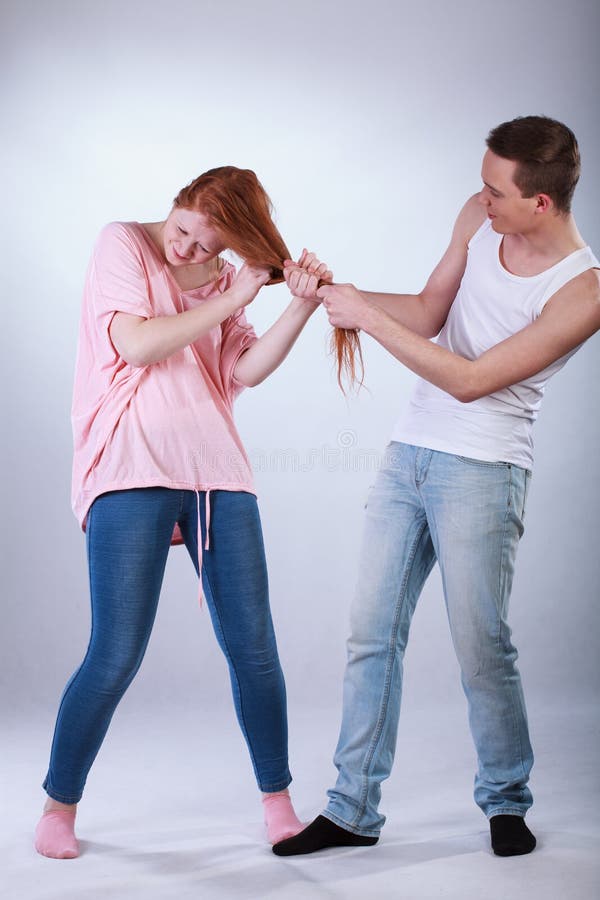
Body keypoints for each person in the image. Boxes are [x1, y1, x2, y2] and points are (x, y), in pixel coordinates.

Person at [274, 115, 600, 858]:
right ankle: (351, 810)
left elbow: (471, 380)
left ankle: (506, 803)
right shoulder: (477, 215)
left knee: (480, 644)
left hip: (484, 471)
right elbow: (427, 313)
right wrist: (338, 292)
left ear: (541, 203)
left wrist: (364, 320)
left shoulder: (583, 292)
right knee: (370, 632)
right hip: (408, 456)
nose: (479, 199)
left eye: (495, 192)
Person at [34, 166, 331, 859]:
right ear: (176, 203)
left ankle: (279, 803)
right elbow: (137, 343)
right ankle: (58, 805)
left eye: (211, 245)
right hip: (128, 466)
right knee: (114, 652)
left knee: (254, 649)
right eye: (186, 229)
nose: (191, 250)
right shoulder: (123, 245)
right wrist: (234, 296)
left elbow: (244, 371)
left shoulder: (228, 281)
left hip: (218, 474)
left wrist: (298, 305)